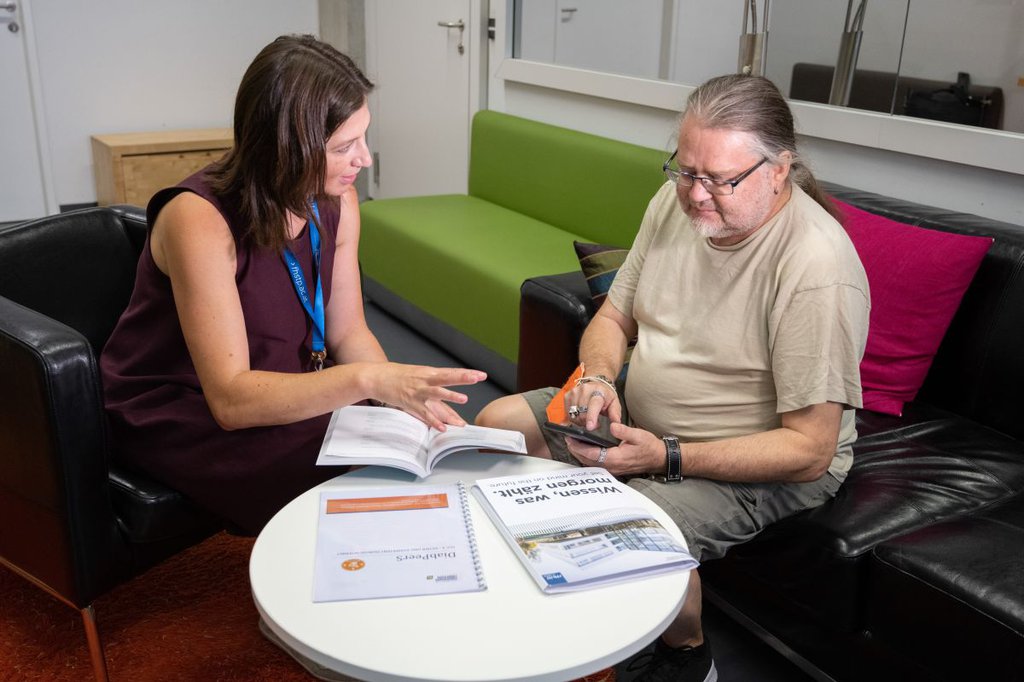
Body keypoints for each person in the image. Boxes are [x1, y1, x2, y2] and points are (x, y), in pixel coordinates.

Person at [477, 73, 870, 682]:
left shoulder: (816, 266)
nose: (696, 195)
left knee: (625, 523)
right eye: (685, 171)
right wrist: (602, 381)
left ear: (779, 169)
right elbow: (613, 316)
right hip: (643, 421)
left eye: (720, 179)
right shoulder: (674, 204)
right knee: (495, 429)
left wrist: (664, 455)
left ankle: (685, 658)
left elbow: (810, 451)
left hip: (755, 457)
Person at [100, 34, 485, 535]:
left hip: (293, 385)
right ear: (287, 147)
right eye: (345, 146)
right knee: (345, 478)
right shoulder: (198, 219)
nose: (364, 160)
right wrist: (370, 383)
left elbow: (346, 333)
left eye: (363, 137)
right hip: (186, 407)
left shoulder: (338, 203)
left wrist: (399, 396)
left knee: (414, 443)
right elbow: (232, 401)